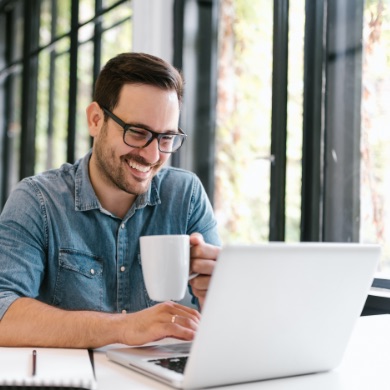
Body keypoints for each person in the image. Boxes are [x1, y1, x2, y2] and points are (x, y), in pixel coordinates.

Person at [0, 52, 221, 348]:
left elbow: (226, 326)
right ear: (95, 120)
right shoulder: (38, 201)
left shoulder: (186, 194)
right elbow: (3, 312)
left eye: (166, 138)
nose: (153, 156)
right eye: (138, 132)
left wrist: (216, 298)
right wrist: (123, 327)